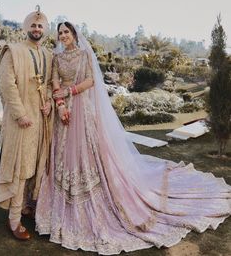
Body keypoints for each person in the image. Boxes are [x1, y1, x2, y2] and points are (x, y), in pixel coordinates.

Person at [36, 22, 231, 255]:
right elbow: (55, 80)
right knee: (63, 153)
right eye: (60, 33)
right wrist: (59, 104)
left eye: (66, 32)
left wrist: (68, 93)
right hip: (63, 112)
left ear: (74, 34)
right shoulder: (57, 58)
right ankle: (64, 203)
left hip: (81, 108)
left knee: (87, 152)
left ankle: (95, 199)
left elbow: (90, 81)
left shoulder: (85, 53)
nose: (63, 35)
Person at [0, 7, 53, 240]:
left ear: (45, 30)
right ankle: (14, 220)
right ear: (25, 27)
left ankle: (28, 206)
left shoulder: (49, 55)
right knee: (19, 171)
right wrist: (20, 115)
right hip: (20, 121)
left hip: (40, 120)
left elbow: (50, 83)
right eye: (33, 25)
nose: (36, 29)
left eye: (40, 26)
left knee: (35, 167)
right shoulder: (14, 51)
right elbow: (7, 85)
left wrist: (49, 102)